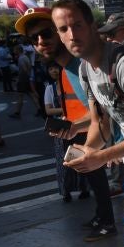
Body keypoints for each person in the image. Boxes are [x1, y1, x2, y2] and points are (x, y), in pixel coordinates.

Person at [51, 0, 124, 241]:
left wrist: (104, 156)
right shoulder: (84, 69)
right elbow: (100, 122)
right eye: (64, 29)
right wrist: (87, 153)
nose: (72, 35)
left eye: (77, 25)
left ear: (93, 25)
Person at [15, 7, 114, 236]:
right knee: (94, 177)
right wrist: (73, 126)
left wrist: (82, 132)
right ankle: (104, 217)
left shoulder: (81, 64)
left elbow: (107, 110)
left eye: (47, 33)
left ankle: (107, 220)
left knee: (97, 178)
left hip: (110, 136)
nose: (41, 41)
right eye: (34, 38)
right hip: (91, 130)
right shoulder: (67, 67)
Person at [43, 62, 88, 202]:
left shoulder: (74, 82)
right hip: (60, 127)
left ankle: (84, 188)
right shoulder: (50, 88)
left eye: (55, 68)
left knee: (79, 157)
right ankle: (66, 191)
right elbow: (48, 110)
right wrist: (64, 112)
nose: (54, 71)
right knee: (64, 161)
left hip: (77, 125)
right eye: (50, 68)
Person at [9, 44, 41, 119]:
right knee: (31, 95)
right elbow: (28, 68)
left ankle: (17, 113)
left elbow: (24, 70)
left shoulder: (21, 58)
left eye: (15, 50)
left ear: (17, 50)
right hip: (27, 79)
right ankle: (39, 109)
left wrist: (19, 79)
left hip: (23, 80)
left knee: (20, 96)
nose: (13, 51)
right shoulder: (25, 57)